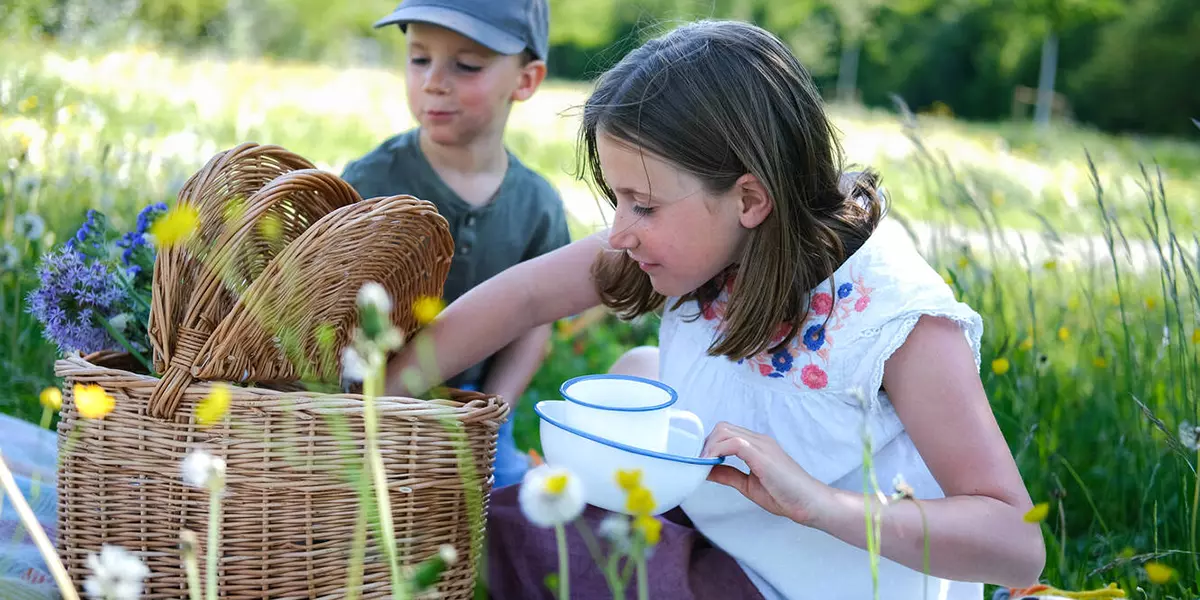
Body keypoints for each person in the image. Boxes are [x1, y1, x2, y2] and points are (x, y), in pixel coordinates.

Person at [386, 19, 1045, 599]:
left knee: (497, 542)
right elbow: (526, 295)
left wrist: (818, 504)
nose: (619, 230)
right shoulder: (709, 243)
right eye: (616, 199)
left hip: (813, 581)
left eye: (641, 203)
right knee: (525, 498)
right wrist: (371, 394)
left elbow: (1015, 542)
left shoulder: (896, 319)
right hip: (722, 536)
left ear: (749, 198)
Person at [343, 0, 571, 488]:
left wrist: (494, 412)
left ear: (526, 81)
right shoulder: (372, 181)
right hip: (369, 406)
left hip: (474, 408)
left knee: (507, 504)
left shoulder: (537, 204)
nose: (433, 82)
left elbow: (537, 322)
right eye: (419, 58)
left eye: (466, 65)